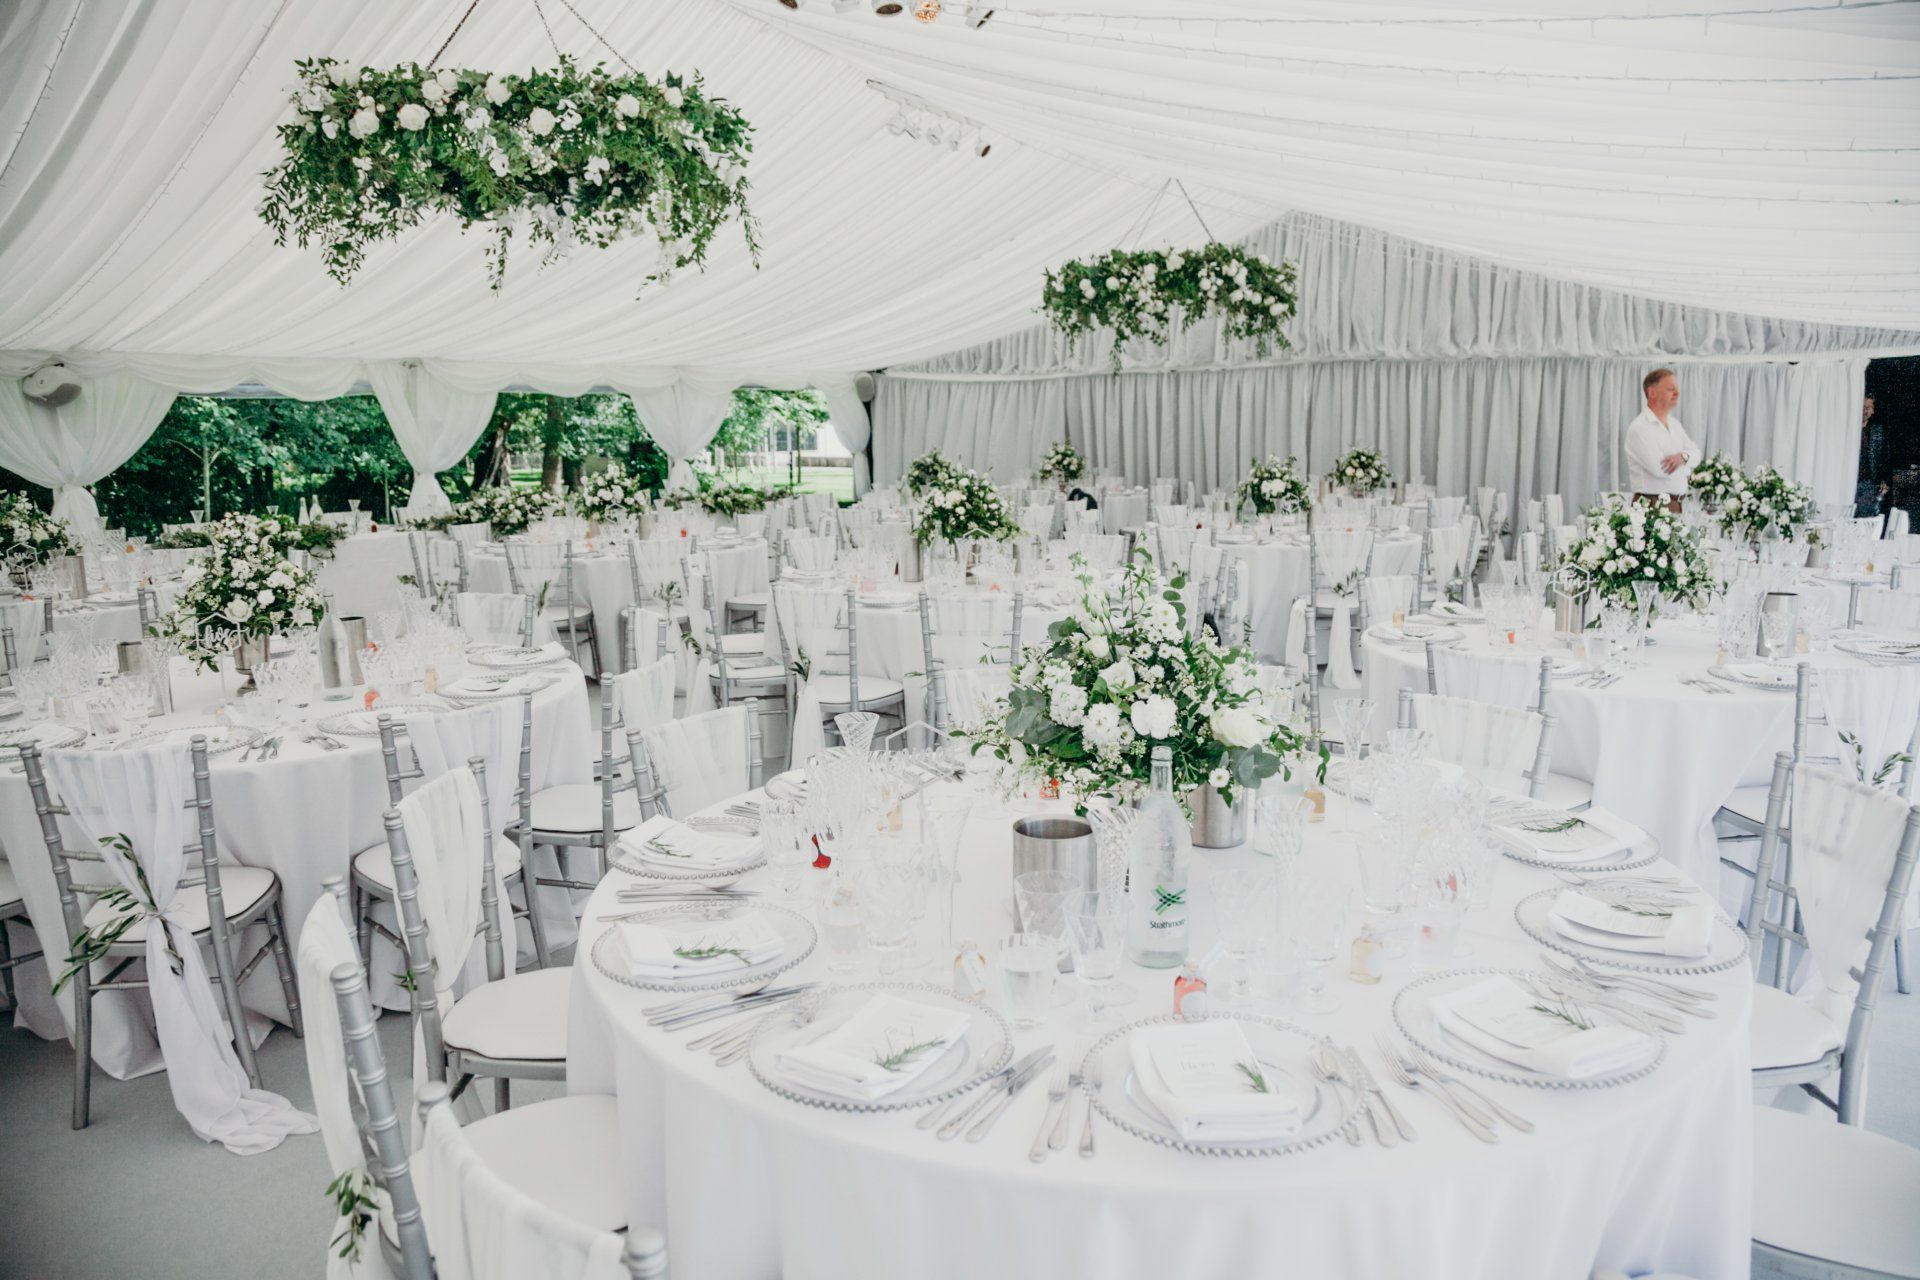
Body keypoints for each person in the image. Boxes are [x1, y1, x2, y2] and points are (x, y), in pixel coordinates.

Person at [1624, 367, 1698, 513]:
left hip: (1678, 504)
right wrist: (1686, 463)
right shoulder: (1639, 428)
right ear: (1652, 392)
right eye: (1671, 389)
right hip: (1652, 505)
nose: (1677, 393)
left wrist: (1682, 457)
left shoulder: (1674, 424)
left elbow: (1696, 453)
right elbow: (1660, 469)